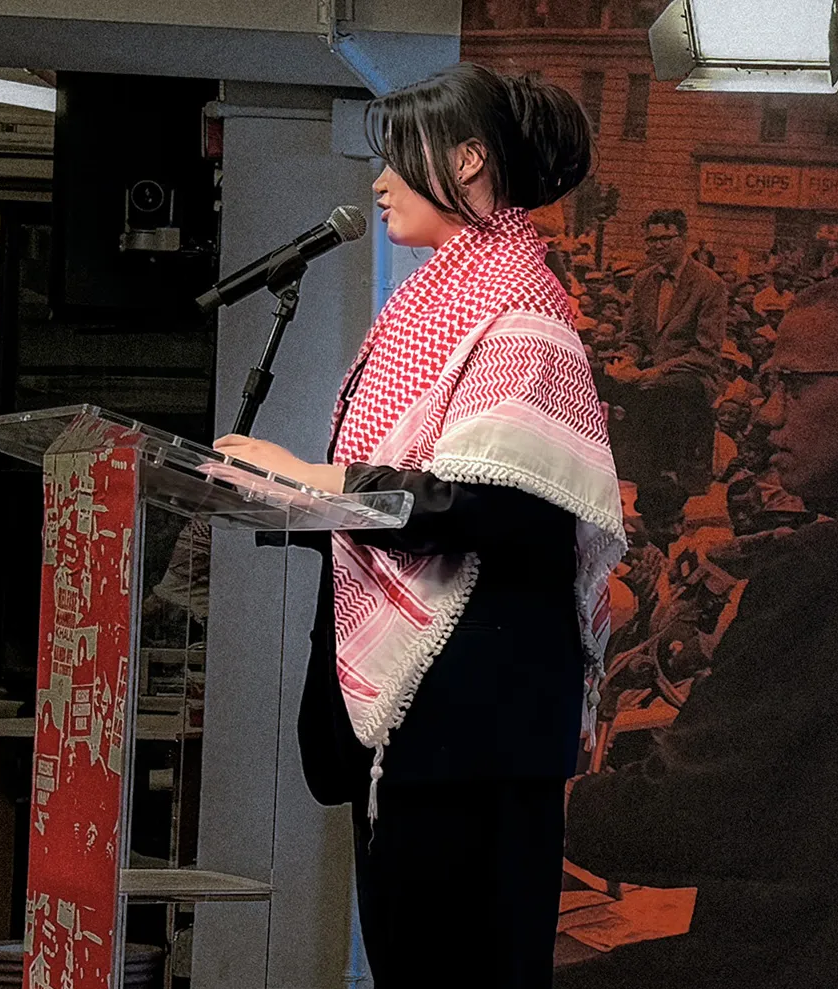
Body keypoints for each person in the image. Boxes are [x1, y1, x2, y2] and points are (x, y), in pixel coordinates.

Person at [210, 63, 625, 988]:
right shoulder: (437, 301)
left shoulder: (520, 314)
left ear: (469, 160)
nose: (377, 179)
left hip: (471, 725)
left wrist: (308, 478)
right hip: (433, 729)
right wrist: (284, 491)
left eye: (396, 156)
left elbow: (490, 503)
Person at [558, 271, 838, 989]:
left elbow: (685, 814)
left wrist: (530, 797)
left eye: (792, 384)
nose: (763, 414)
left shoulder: (832, 564)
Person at [601, 208, 727, 489]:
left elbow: (706, 353)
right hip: (648, 371)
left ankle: (661, 477)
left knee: (660, 393)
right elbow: (633, 338)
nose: (657, 246)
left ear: (683, 239)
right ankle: (610, 469)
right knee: (595, 377)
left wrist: (654, 373)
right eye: (651, 240)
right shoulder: (643, 280)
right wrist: (626, 360)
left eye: (665, 239)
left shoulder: (709, 284)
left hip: (690, 375)